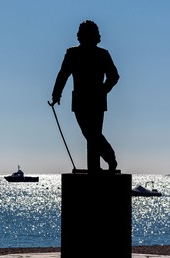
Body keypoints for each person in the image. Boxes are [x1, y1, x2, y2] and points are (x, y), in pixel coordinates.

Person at [50, 20, 120, 173]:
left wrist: (103, 90)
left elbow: (114, 76)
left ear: (95, 36)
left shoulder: (102, 54)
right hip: (82, 100)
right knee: (89, 133)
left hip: (96, 100)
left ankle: (104, 161)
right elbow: (63, 75)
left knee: (92, 134)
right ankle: (102, 162)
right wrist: (56, 94)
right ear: (80, 36)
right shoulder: (73, 53)